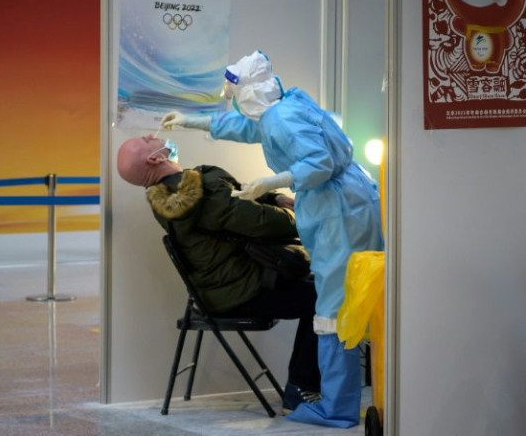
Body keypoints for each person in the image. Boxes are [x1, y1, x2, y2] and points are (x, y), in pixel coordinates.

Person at [161, 50, 384, 428]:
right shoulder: (286, 103)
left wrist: (272, 182)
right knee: (356, 294)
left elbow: (318, 164)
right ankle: (359, 393)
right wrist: (191, 122)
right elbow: (245, 127)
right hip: (351, 201)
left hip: (338, 211)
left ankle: (337, 407)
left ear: (247, 91)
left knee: (334, 307)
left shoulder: (281, 119)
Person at [116, 134, 321, 413]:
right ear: (155, 158)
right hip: (239, 292)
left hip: (225, 288)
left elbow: (236, 197)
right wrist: (305, 219)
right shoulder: (197, 195)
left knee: (320, 287)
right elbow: (259, 222)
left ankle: (305, 384)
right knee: (325, 298)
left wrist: (275, 196)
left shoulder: (184, 191)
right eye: (145, 139)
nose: (152, 134)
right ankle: (300, 388)